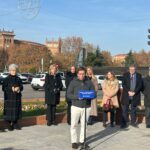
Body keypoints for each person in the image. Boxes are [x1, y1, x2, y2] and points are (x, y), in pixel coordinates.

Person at [67, 67, 95, 149]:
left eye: (83, 74)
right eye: (80, 74)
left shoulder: (89, 82)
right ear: (77, 74)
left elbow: (94, 94)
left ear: (85, 74)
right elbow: (68, 94)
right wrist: (77, 97)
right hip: (76, 107)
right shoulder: (73, 82)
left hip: (86, 107)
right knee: (74, 125)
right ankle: (74, 142)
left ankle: (82, 141)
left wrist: (90, 95)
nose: (81, 75)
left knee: (84, 125)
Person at [2, 64, 23, 131]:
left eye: (15, 70)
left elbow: (22, 87)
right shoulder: (6, 79)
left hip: (17, 98)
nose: (14, 72)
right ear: (10, 71)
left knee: (16, 111)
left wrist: (19, 88)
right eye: (13, 70)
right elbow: (3, 88)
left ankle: (15, 123)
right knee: (9, 112)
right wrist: (12, 89)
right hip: (9, 98)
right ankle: (9, 125)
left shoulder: (18, 78)